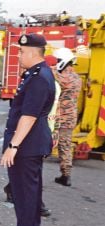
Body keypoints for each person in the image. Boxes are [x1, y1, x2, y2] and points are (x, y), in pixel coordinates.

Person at [0, 33, 55, 226]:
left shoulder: (39, 77)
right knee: (28, 189)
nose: (19, 56)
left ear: (32, 52)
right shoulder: (35, 74)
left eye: (21, 52)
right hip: (31, 143)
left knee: (25, 190)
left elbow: (29, 116)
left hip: (27, 145)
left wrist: (13, 146)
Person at [52, 47, 82, 186]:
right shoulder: (77, 77)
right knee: (65, 146)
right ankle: (66, 175)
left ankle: (32, 173)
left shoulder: (62, 77)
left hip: (57, 118)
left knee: (44, 142)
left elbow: (61, 80)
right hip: (70, 118)